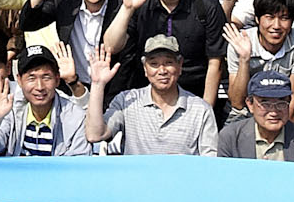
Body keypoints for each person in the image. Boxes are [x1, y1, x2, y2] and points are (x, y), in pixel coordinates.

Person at [85, 31, 218, 154]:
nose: (162, 70)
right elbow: (95, 135)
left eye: (168, 62)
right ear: (145, 68)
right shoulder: (126, 101)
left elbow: (210, 163)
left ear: (180, 65)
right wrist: (97, 84)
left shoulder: (200, 109)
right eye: (154, 64)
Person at [0, 46, 90, 156]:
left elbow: (79, 162)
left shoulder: (74, 116)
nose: (39, 87)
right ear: (19, 80)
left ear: (57, 79)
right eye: (31, 78)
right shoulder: (11, 110)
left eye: (46, 77)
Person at [217, 64, 294, 161]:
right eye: (265, 103)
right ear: (250, 104)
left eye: (281, 103)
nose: (274, 112)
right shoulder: (230, 137)